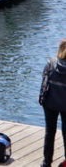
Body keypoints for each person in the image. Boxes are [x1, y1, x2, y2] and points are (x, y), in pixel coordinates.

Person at [39, 39, 66, 167]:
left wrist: (41, 100)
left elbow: (44, 84)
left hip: (50, 104)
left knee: (50, 132)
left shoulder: (51, 63)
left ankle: (46, 162)